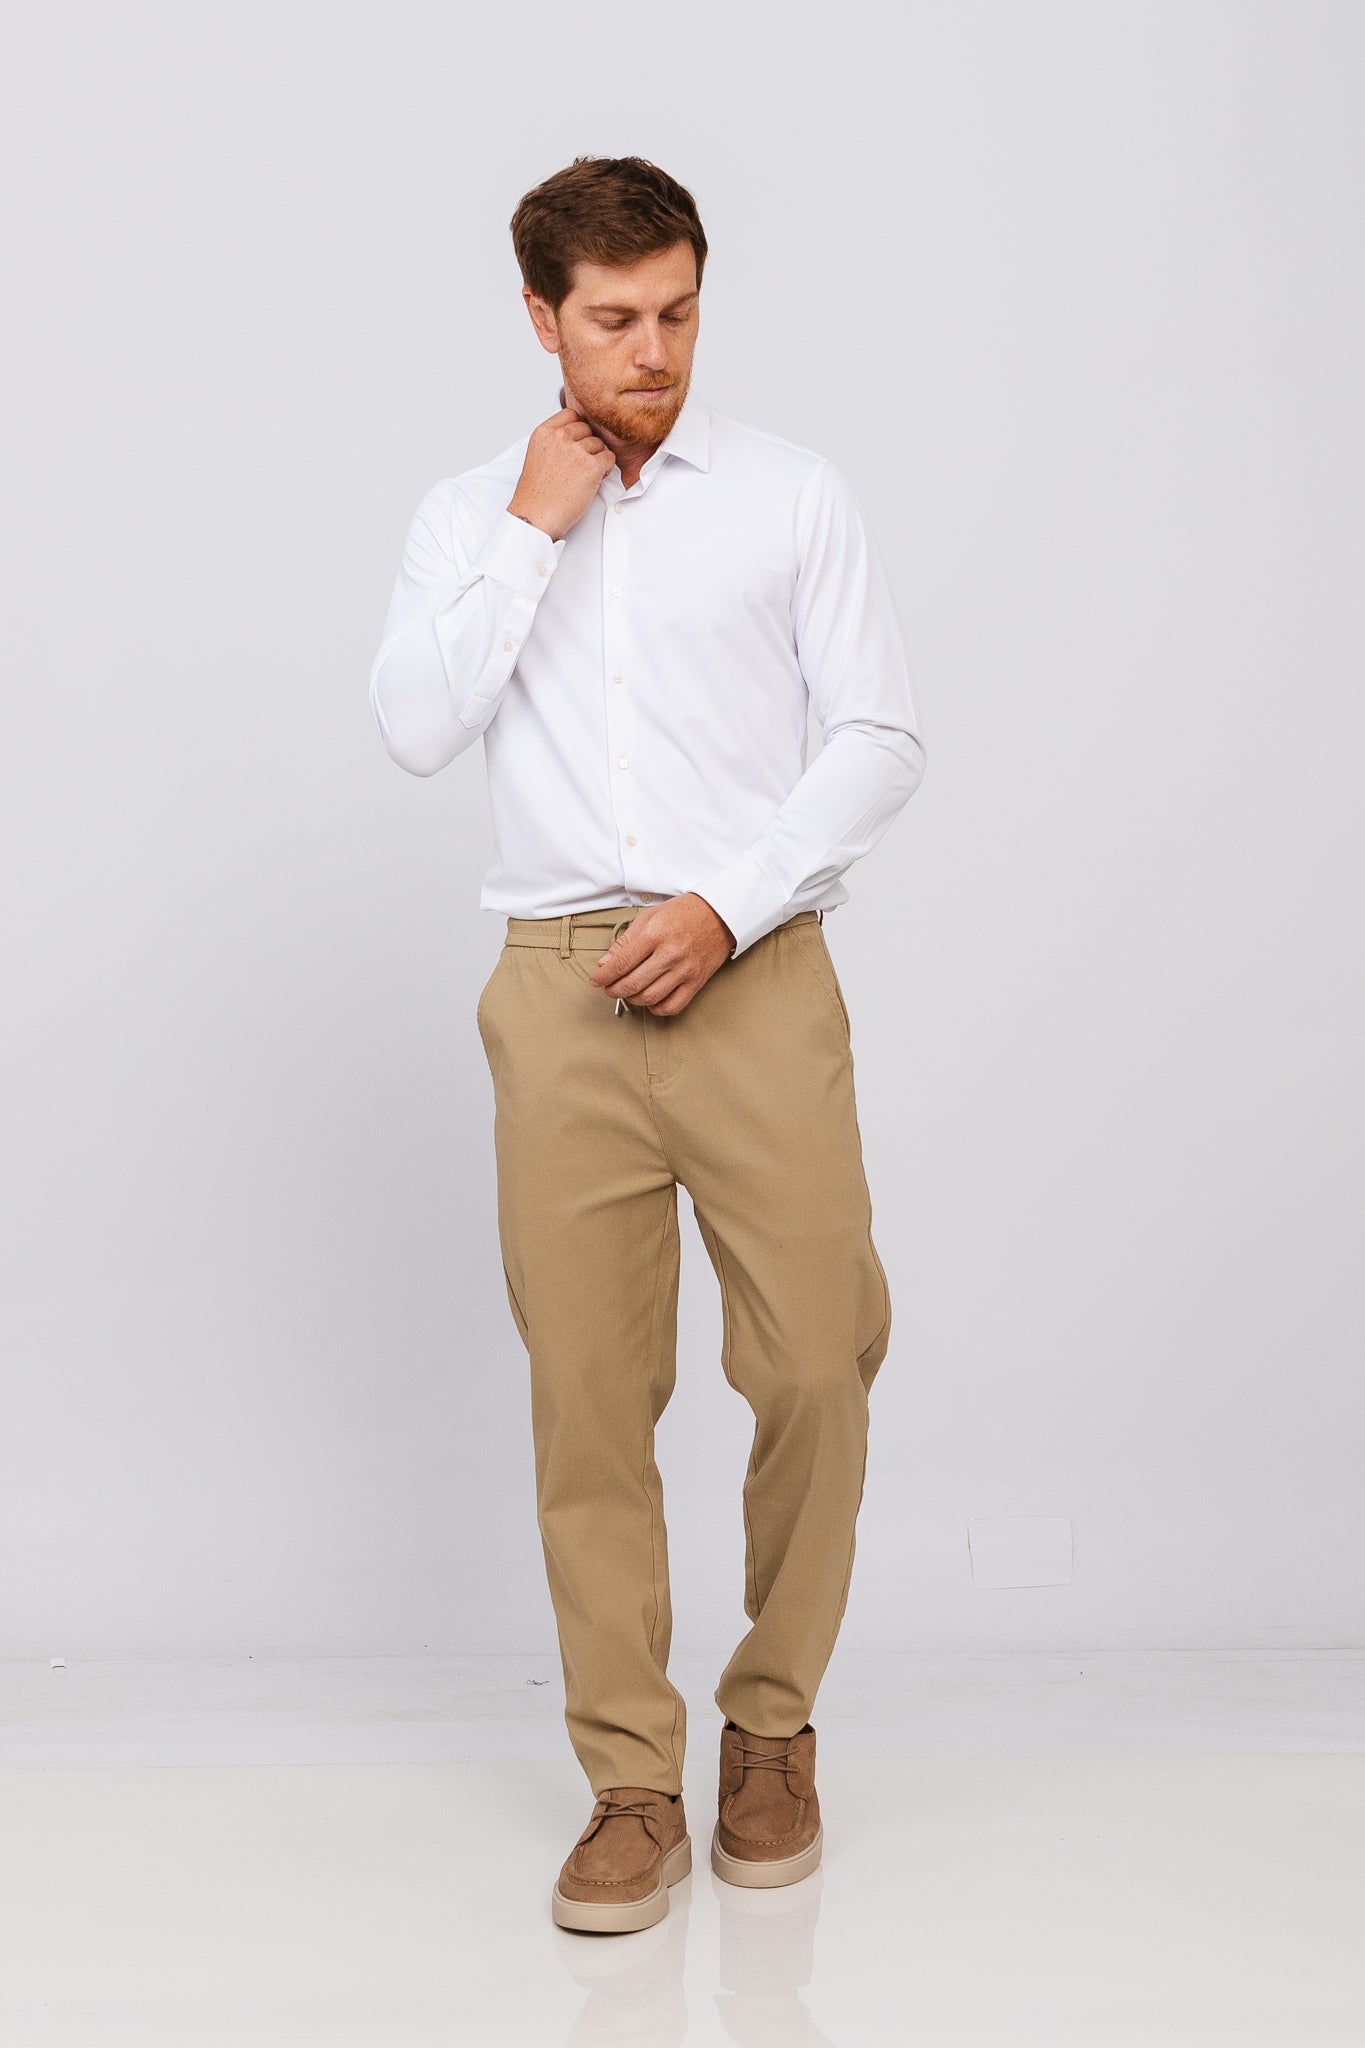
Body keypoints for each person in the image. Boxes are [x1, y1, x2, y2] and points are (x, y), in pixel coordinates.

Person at [368, 155, 927, 1934]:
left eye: (678, 311)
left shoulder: (788, 494)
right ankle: (627, 1781)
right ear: (541, 319)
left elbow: (877, 734)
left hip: (751, 971)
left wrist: (728, 904)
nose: (654, 350)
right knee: (590, 1404)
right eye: (613, 319)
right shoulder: (468, 515)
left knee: (819, 1359)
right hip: (557, 990)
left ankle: (771, 1730)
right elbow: (414, 726)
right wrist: (533, 529)